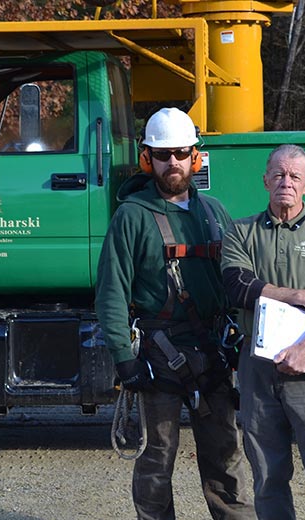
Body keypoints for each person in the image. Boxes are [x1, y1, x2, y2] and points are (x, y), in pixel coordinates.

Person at [95, 107, 254, 520]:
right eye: (163, 155)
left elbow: (236, 282)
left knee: (226, 460)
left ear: (195, 157)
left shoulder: (215, 213)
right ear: (148, 159)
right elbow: (111, 291)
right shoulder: (131, 216)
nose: (173, 163)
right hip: (158, 357)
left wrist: (243, 338)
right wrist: (123, 359)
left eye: (181, 153)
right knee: (155, 463)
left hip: (214, 352)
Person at [221, 144, 305, 519]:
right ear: (265, 180)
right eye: (278, 174)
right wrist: (299, 295)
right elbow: (237, 286)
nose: (286, 182)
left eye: (295, 176)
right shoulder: (241, 232)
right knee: (267, 475)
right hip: (257, 369)